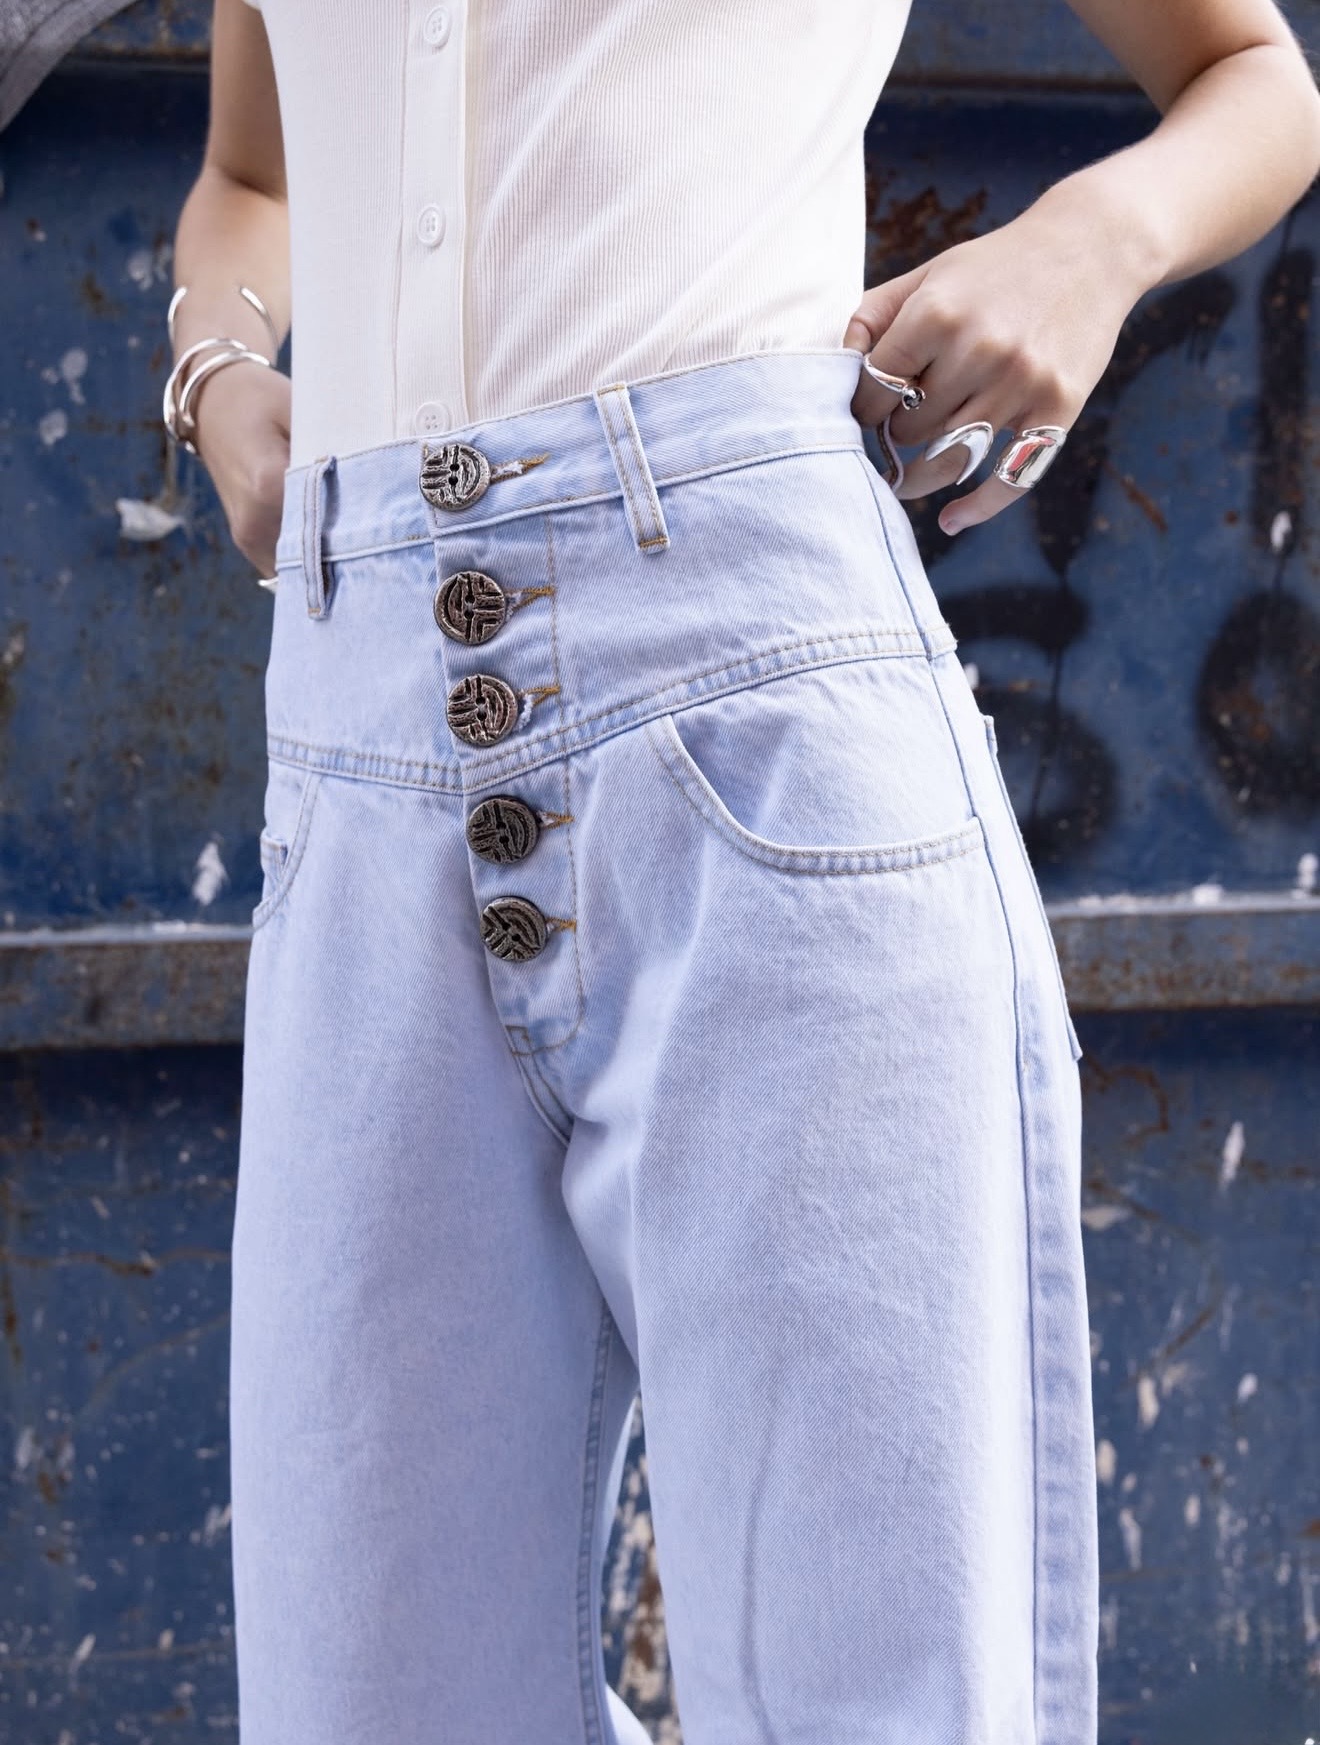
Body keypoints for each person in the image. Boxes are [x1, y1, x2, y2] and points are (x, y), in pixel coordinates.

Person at [165, 3, 1320, 1741]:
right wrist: (217, 371)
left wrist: (1087, 245)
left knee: (875, 1694)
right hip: (356, 753)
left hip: (757, 705)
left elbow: (1254, 79)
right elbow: (249, 181)